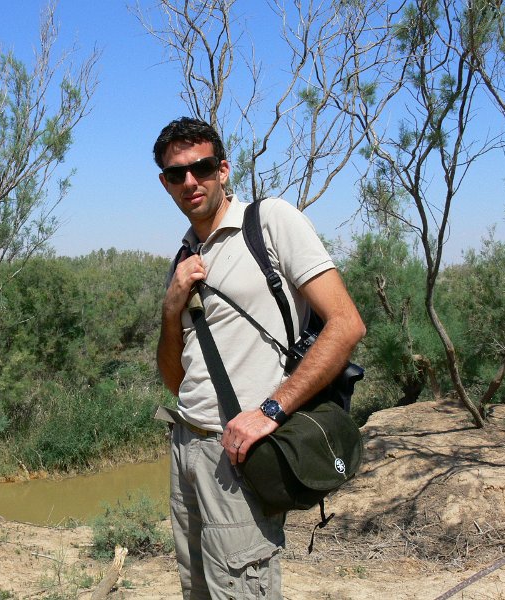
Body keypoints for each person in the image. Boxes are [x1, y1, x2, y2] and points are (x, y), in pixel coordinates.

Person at [153, 117, 366, 599]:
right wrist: (171, 309)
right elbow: (175, 379)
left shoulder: (269, 222)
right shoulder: (184, 258)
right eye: (175, 174)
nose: (190, 181)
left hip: (241, 453)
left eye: (201, 167)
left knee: (242, 590)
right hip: (187, 445)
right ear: (164, 184)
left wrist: (271, 411)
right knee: (198, 590)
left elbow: (346, 324)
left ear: (223, 169)